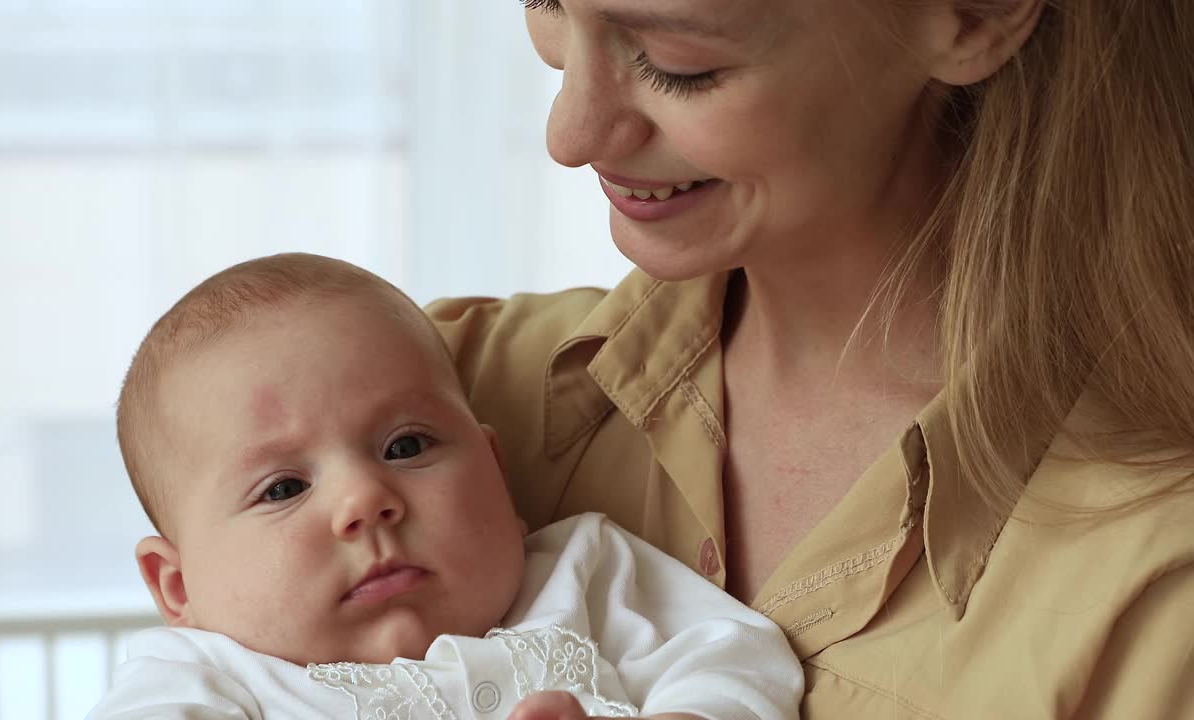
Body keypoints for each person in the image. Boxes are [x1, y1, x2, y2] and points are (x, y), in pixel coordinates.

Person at [427, 1, 1194, 717]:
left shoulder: (1158, 595)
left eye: (676, 60)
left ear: (973, 14)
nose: (569, 135)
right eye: (549, 2)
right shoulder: (416, 401)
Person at [86, 253, 802, 720]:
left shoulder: (584, 574)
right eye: (283, 488)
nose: (364, 499)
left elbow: (736, 654)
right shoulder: (203, 682)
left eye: (406, 445)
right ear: (177, 586)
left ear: (494, 469)